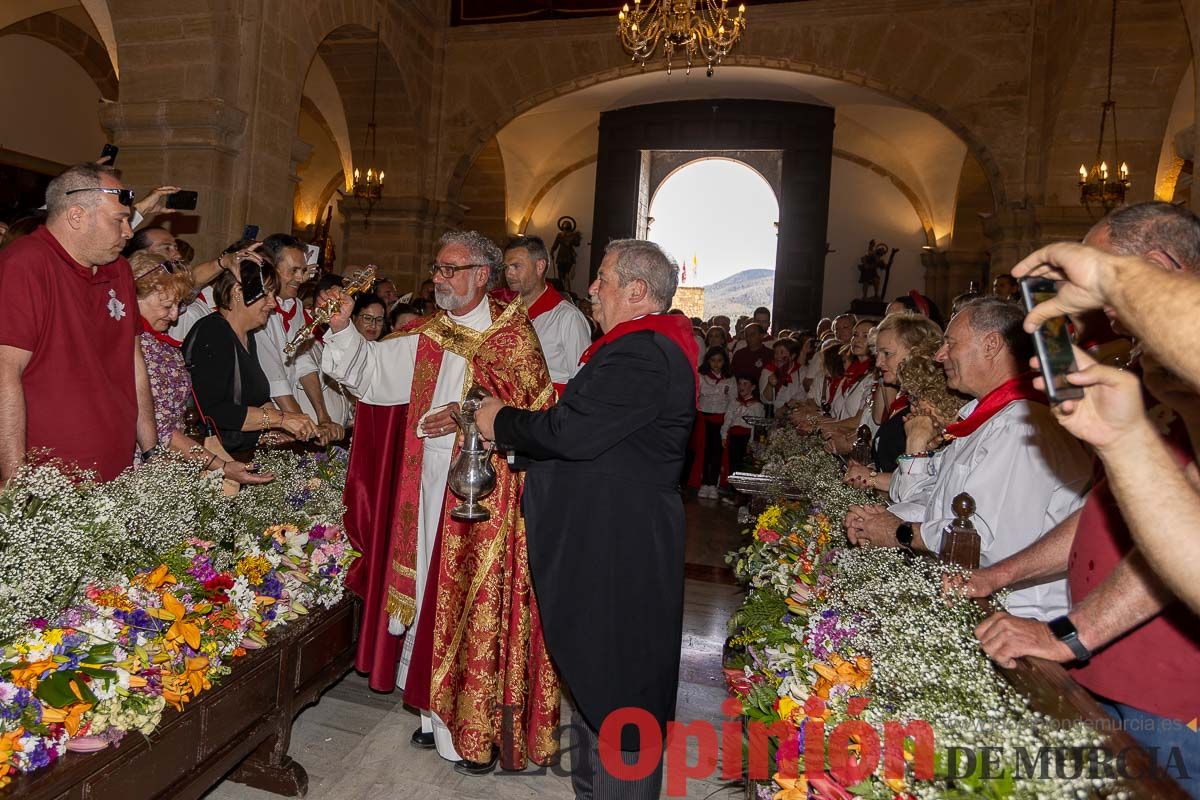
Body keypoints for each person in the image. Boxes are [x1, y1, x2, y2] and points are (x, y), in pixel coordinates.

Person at [319, 230, 559, 774]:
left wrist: (463, 409)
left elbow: (531, 411)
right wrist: (341, 332)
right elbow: (371, 374)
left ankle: (470, 734)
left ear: (482, 275)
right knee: (428, 590)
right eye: (437, 267)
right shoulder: (432, 334)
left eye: (451, 269)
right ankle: (431, 714)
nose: (439, 277)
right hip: (426, 492)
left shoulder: (513, 336)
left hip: (485, 502)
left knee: (469, 602)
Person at [472, 238, 697, 800]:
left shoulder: (643, 350)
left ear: (638, 291)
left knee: (621, 690)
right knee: (599, 684)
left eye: (603, 278)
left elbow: (570, 432)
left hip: (618, 550)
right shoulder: (636, 346)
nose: (591, 288)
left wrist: (499, 421)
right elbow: (596, 442)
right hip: (607, 541)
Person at [845, 298, 1093, 621]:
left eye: (950, 343)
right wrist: (877, 520)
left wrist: (899, 531)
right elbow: (935, 499)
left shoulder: (1021, 425)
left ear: (991, 345)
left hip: (1014, 617)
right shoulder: (985, 419)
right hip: (972, 600)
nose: (939, 355)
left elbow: (981, 540)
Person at [0, 163, 156, 481]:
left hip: (118, 470)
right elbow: (4, 373)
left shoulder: (120, 271)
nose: (129, 232)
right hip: (49, 482)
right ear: (76, 216)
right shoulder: (26, 264)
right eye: (120, 220)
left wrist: (152, 453)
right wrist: (14, 484)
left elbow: (134, 363)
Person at [131, 252, 271, 485]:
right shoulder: (137, 346)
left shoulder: (158, 341)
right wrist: (222, 466)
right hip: (146, 465)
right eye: (167, 305)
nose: (175, 315)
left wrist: (222, 262)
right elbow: (163, 432)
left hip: (177, 462)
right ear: (133, 297)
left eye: (178, 304)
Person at [183, 260, 317, 453]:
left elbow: (252, 399)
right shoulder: (213, 332)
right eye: (267, 294)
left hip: (241, 452)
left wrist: (274, 429)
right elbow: (214, 411)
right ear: (238, 292)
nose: (273, 303)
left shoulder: (248, 336)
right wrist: (282, 419)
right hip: (215, 457)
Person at [253, 233, 347, 445]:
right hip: (267, 416)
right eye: (293, 271)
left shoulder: (293, 306)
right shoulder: (258, 310)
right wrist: (305, 427)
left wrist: (323, 418)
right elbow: (274, 377)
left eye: (303, 270)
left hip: (290, 417)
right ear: (270, 268)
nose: (301, 278)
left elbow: (303, 363)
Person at [838, 313, 944, 479]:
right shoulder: (914, 398)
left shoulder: (933, 406)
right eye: (877, 353)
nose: (879, 362)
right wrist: (869, 471)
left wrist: (872, 479)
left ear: (916, 353)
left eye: (887, 353)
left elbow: (926, 482)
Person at [503, 235, 591, 394]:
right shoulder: (505, 314)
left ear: (540, 266)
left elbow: (583, 382)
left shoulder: (568, 318)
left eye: (516, 266)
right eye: (506, 267)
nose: (509, 274)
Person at [692, 345, 734, 499]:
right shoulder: (701, 376)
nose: (716, 364)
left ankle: (713, 484)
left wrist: (726, 426)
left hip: (721, 420)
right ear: (707, 361)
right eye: (713, 360)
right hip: (703, 419)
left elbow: (732, 403)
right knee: (703, 452)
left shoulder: (730, 379)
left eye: (720, 361)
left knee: (717, 454)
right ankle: (703, 482)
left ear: (725, 362)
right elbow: (695, 397)